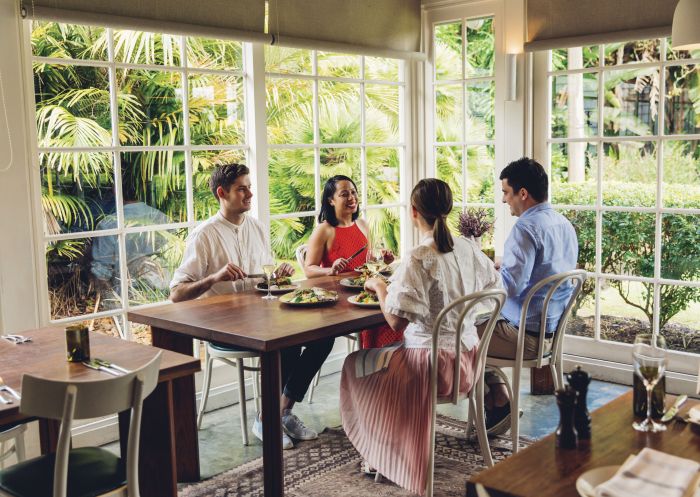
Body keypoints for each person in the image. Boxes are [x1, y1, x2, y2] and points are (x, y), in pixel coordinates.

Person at [339, 178, 501, 495]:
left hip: (429, 369)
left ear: (414, 212)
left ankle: (382, 454)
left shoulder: (418, 257)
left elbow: (396, 322)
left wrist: (379, 287)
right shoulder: (468, 247)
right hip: (468, 363)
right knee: (381, 360)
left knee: (355, 365)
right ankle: (390, 449)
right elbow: (492, 285)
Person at [169, 163, 333, 450]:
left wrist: (278, 275)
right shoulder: (204, 235)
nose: (250, 194)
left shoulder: (256, 227)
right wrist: (213, 277)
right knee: (288, 343)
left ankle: (277, 412)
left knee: (323, 337)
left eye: (249, 187)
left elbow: (265, 279)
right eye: (242, 189)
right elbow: (176, 294)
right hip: (223, 324)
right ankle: (270, 417)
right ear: (222, 193)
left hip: (261, 316)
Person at [478, 157, 578, 435]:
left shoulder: (524, 229)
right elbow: (537, 274)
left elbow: (508, 287)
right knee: (477, 325)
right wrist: (504, 268)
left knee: (456, 333)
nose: (503, 200)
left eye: (506, 193)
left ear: (523, 194)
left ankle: (498, 400)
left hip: (524, 339)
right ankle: (498, 396)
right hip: (550, 334)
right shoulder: (563, 224)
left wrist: (483, 273)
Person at [304, 175, 400, 348]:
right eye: (344, 194)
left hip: (364, 291)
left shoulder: (362, 224)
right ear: (331, 200)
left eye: (354, 192)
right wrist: (330, 270)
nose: (352, 198)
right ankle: (373, 366)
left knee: (393, 311)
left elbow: (367, 263)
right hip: (340, 298)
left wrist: (384, 261)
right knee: (384, 315)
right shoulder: (324, 230)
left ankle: (389, 365)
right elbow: (308, 270)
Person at [91, 177, 172, 309]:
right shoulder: (164, 219)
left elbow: (101, 273)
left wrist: (112, 302)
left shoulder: (109, 224)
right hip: (164, 293)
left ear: (115, 191)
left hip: (127, 299)